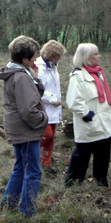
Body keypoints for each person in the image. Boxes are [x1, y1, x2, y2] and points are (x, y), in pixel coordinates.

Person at [0, 36, 49, 216]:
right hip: (26, 130)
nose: (36, 60)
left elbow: (29, 98)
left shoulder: (15, 74)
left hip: (17, 128)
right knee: (33, 172)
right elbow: (28, 110)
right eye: (33, 57)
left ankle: (8, 203)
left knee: (20, 167)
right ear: (25, 59)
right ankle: (27, 211)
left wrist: (35, 79)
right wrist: (43, 119)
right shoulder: (21, 78)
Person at [65, 43, 111, 187]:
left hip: (103, 121)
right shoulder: (78, 76)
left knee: (103, 153)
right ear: (87, 58)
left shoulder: (98, 73)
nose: (99, 56)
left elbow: (103, 95)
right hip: (89, 122)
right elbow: (74, 101)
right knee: (82, 154)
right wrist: (87, 115)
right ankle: (73, 182)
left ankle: (101, 181)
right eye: (96, 54)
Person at [35, 40, 67, 174]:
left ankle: (46, 163)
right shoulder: (38, 67)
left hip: (54, 109)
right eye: (57, 55)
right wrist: (53, 99)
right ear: (50, 54)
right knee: (46, 135)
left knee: (51, 137)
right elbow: (38, 89)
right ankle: (32, 157)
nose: (59, 58)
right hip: (43, 108)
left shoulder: (53, 66)